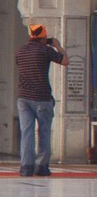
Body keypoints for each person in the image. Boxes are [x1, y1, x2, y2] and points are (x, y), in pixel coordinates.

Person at [15, 24, 68, 177]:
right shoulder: (46, 50)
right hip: (42, 98)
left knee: (27, 133)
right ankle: (41, 166)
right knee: (44, 132)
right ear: (43, 38)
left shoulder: (21, 51)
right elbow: (65, 61)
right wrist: (58, 46)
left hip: (23, 97)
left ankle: (26, 167)